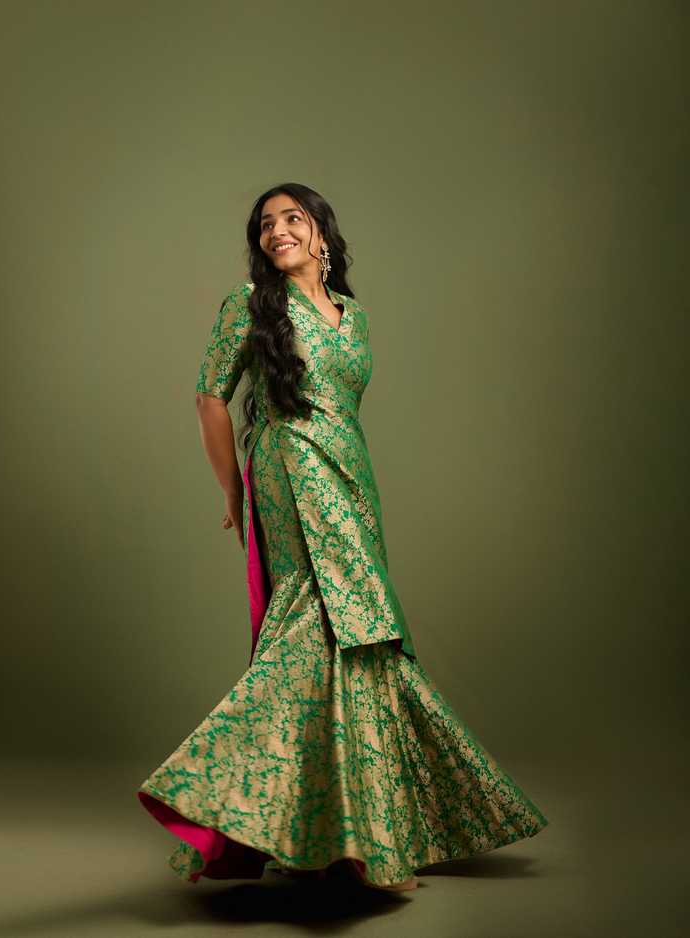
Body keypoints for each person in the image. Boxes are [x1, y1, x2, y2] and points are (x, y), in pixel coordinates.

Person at [137, 182, 549, 892]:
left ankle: (359, 837)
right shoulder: (249, 304)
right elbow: (209, 395)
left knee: (364, 634)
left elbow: (345, 403)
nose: (277, 231)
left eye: (292, 218)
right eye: (265, 224)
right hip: (289, 464)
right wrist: (233, 487)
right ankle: (227, 795)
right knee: (319, 617)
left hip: (353, 473)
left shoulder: (352, 316)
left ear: (322, 234)